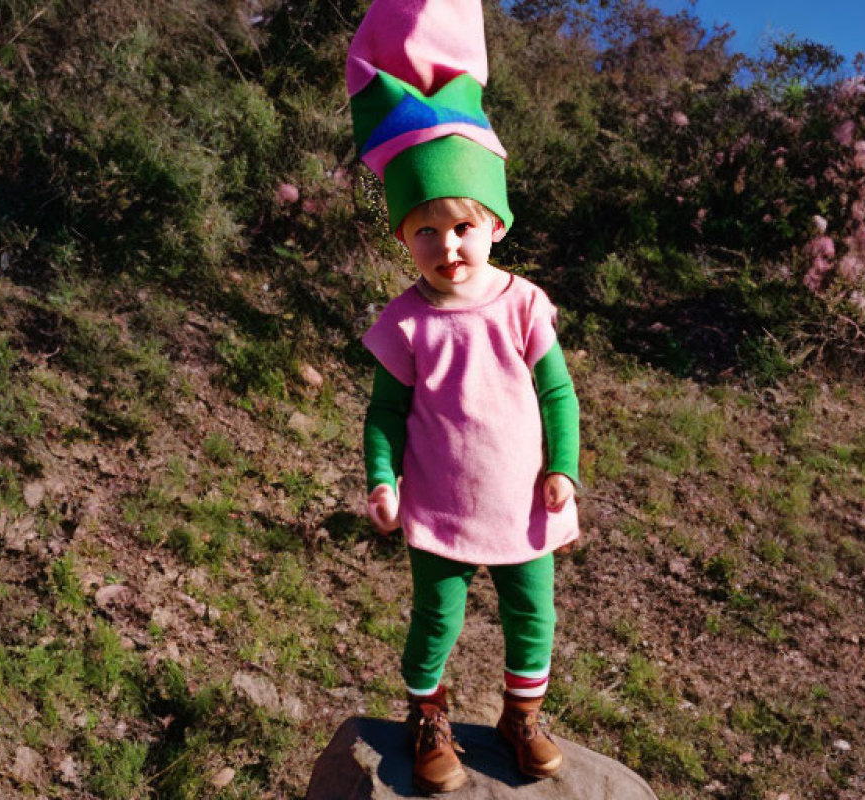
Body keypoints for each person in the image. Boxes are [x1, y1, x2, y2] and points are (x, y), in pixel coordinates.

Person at [346, 0, 581, 793]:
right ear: (403, 236)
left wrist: (565, 471)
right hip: (440, 510)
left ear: (496, 225)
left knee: (532, 616)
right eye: (426, 230)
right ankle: (428, 718)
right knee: (435, 622)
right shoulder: (405, 321)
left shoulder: (522, 303)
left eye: (463, 227)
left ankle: (522, 718)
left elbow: (558, 392)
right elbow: (384, 413)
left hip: (524, 505)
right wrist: (382, 479)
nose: (447, 246)